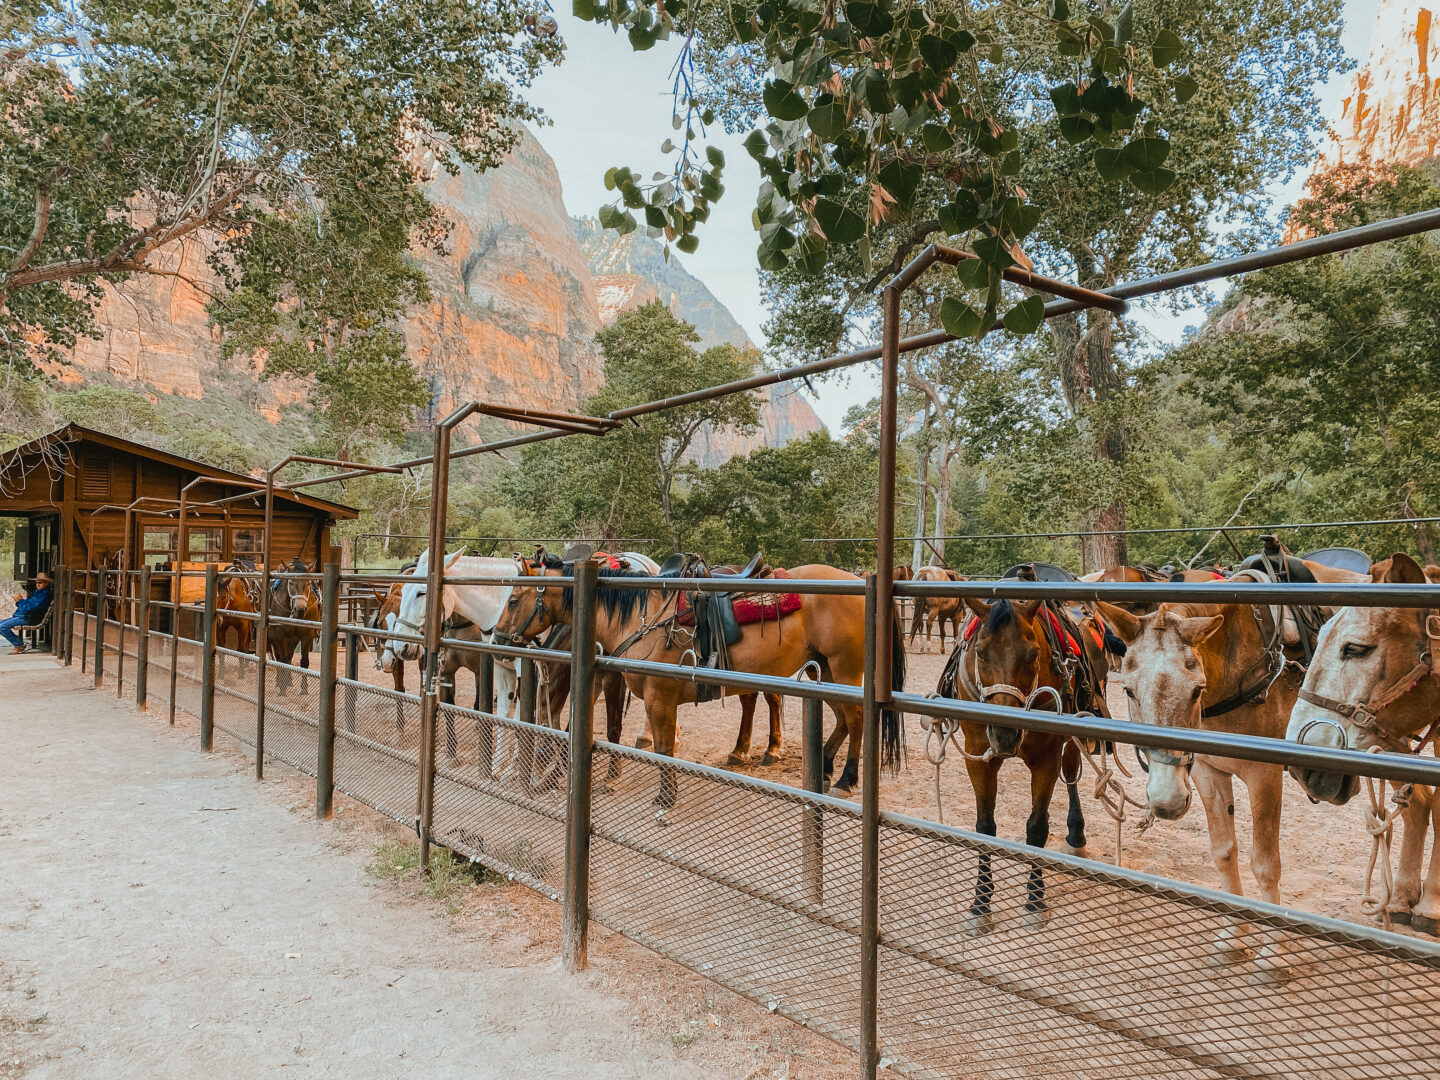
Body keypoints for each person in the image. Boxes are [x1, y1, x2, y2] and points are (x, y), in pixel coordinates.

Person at [2, 571, 53, 653]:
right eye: (36, 583)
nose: (37, 584)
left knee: (2, 627)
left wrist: (20, 601)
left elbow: (30, 608)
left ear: (46, 583)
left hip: (29, 618)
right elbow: (28, 605)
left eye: (40, 582)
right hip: (24, 616)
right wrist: (19, 601)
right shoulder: (39, 593)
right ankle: (18, 643)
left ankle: (19, 645)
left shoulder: (44, 595)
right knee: (1, 625)